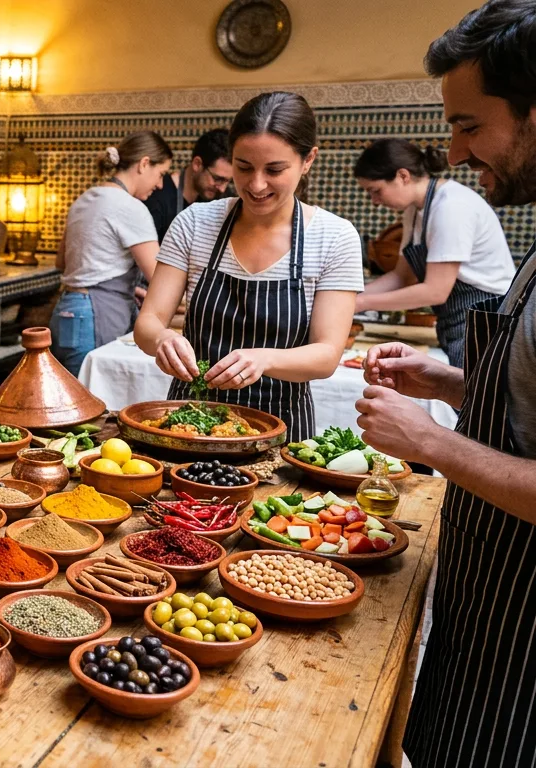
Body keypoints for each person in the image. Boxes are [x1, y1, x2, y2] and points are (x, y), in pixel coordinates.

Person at [354, 3, 536, 766]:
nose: (455, 153)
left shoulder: (457, 204)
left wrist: (430, 440)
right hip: (483, 621)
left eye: (471, 125)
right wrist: (455, 384)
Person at [134, 92, 364, 439]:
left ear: (308, 160)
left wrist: (264, 360)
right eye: (243, 167)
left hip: (282, 430)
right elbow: (148, 322)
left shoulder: (335, 237)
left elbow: (327, 354)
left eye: (274, 170)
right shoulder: (195, 223)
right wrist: (162, 338)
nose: (256, 185)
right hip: (190, 426)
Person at [353, 138, 514, 367]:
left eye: (376, 191)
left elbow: (435, 291)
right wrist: (352, 296)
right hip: (455, 321)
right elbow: (402, 277)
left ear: (402, 176)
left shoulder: (451, 206)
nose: (375, 201)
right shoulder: (415, 211)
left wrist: (361, 303)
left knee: (475, 398)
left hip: (485, 320)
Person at [52, 131, 173, 374]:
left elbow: (62, 262)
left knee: (68, 401)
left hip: (66, 311)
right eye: (160, 175)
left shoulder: (84, 198)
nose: (160, 185)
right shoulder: (130, 207)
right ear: (144, 164)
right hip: (94, 316)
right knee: (91, 403)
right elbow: (160, 277)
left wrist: (126, 288)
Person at [143, 128, 234, 240]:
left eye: (228, 181)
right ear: (197, 164)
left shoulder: (221, 198)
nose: (222, 189)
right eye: (218, 179)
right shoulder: (157, 199)